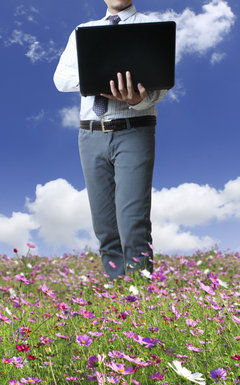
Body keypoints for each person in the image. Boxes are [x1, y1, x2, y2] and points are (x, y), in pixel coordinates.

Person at [53, 0, 168, 279]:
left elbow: (162, 83)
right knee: (105, 226)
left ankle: (142, 299)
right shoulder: (83, 30)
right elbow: (61, 78)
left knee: (133, 222)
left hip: (135, 129)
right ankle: (119, 299)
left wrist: (139, 99)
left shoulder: (151, 28)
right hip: (90, 134)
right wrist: (100, 76)